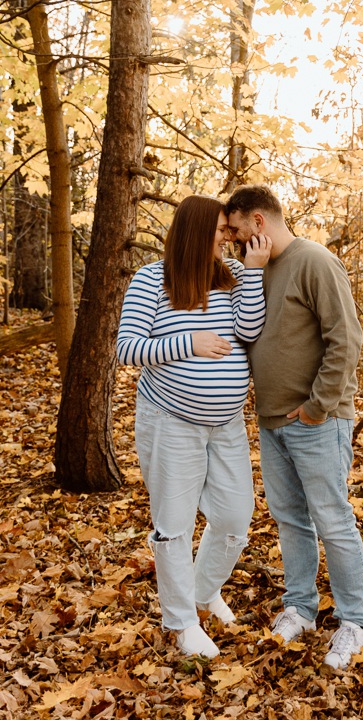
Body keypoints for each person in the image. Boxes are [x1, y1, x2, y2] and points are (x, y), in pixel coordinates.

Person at [117, 194, 271, 658]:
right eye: (221, 231)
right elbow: (127, 349)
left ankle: (203, 594)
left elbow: (249, 329)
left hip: (225, 424)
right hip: (170, 419)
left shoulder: (236, 276)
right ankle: (182, 622)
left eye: (229, 231)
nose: (228, 238)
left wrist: (257, 270)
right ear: (195, 232)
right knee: (174, 525)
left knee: (234, 518)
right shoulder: (151, 280)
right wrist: (188, 341)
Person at [225, 184, 363, 670]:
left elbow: (346, 340)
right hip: (271, 421)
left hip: (316, 421)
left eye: (236, 229)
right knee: (291, 520)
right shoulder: (257, 270)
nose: (232, 238)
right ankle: (301, 609)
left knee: (332, 519)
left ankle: (353, 621)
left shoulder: (314, 261)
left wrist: (316, 406)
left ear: (259, 222)